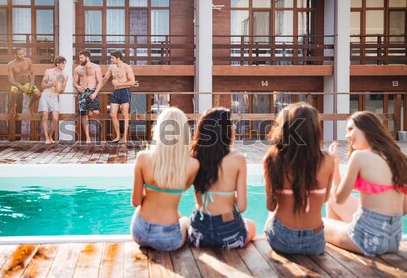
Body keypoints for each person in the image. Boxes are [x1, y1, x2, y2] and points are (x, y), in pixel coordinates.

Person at [325, 111, 407, 257]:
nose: (346, 136)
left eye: (350, 129)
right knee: (331, 201)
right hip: (393, 240)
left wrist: (333, 164)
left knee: (317, 224)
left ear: (366, 129)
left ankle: (337, 256)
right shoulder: (400, 159)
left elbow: (339, 198)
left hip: (367, 241)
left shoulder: (359, 156)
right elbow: (403, 210)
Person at [263, 102, 334, 255]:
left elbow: (270, 206)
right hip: (314, 241)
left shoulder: (273, 159)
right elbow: (326, 199)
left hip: (282, 240)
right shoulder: (328, 161)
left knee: (271, 216)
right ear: (315, 130)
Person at [130, 107, 199, 251]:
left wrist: (150, 188)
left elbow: (136, 202)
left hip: (139, 232)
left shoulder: (143, 158)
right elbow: (182, 189)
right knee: (185, 220)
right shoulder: (192, 165)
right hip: (167, 238)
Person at [189, 108, 256, 249]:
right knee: (252, 225)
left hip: (200, 233)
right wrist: (227, 197)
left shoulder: (194, 157)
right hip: (229, 233)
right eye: (230, 123)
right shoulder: (238, 160)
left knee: (183, 222)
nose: (234, 127)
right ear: (223, 130)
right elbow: (242, 207)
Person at [103, 50, 135, 144]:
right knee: (113, 114)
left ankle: (124, 137)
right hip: (116, 92)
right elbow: (105, 79)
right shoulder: (112, 67)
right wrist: (96, 89)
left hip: (125, 91)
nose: (111, 59)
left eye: (112, 58)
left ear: (118, 58)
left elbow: (132, 82)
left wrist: (119, 84)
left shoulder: (126, 67)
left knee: (125, 113)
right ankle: (117, 136)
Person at [73, 50, 103, 144]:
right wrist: (78, 87)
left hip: (92, 91)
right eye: (79, 58)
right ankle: (88, 137)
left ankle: (90, 109)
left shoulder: (96, 67)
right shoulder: (78, 69)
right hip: (82, 93)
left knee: (96, 112)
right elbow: (74, 82)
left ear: (87, 58)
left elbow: (100, 82)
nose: (80, 60)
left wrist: (95, 93)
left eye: (81, 58)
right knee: (83, 115)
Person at [38, 56, 68, 144]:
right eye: (62, 64)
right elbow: (42, 85)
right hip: (45, 95)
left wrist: (62, 86)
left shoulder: (64, 75)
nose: (64, 65)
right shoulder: (48, 71)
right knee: (45, 116)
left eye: (64, 64)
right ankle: (46, 138)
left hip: (54, 97)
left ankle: (50, 136)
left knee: (55, 118)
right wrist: (51, 83)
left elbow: (62, 90)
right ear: (57, 63)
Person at [8, 48, 41, 115]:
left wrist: (32, 83)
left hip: (27, 83)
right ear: (15, 55)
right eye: (20, 54)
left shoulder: (28, 61)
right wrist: (20, 86)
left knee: (38, 94)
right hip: (17, 84)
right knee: (13, 92)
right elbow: (11, 80)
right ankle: (14, 105)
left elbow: (32, 73)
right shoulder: (10, 64)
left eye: (23, 53)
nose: (22, 55)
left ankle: (30, 105)